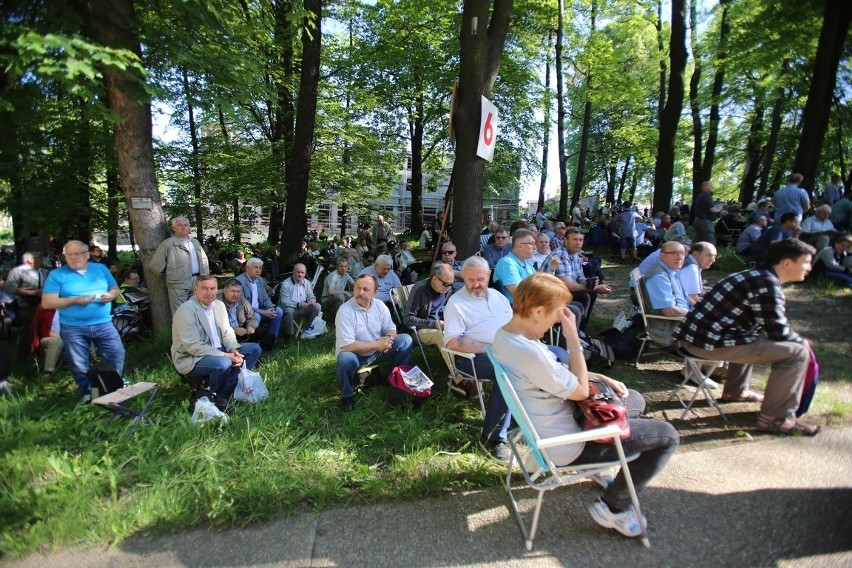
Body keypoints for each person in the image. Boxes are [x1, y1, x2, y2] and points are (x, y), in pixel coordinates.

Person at [491, 272, 679, 538]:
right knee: (667, 436)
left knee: (633, 398)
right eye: (557, 313)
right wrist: (573, 337)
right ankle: (614, 508)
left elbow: (557, 372)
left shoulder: (505, 335)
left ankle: (600, 469)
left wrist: (600, 377)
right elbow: (579, 390)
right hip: (569, 446)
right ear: (537, 310)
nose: (559, 319)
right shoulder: (529, 352)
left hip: (554, 427)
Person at [675, 239, 822, 435]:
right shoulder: (766, 283)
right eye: (806, 262)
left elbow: (765, 326)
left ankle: (735, 392)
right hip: (702, 343)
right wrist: (801, 341)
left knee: (752, 336)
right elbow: (776, 330)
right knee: (796, 353)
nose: (810, 268)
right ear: (787, 263)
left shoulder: (756, 276)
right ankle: (774, 418)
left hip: (697, 339)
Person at [41, 240, 125, 403]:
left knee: (117, 353)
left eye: (77, 253)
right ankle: (88, 393)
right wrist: (74, 300)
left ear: (87, 255)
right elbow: (47, 302)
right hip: (73, 327)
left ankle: (112, 387)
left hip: (103, 323)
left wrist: (111, 295)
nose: (73, 257)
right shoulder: (57, 274)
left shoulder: (101, 269)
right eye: (69, 254)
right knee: (79, 363)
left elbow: (115, 288)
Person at [171, 275, 261, 400]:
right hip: (194, 357)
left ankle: (229, 387)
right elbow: (194, 347)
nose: (209, 293)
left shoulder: (218, 305)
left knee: (254, 349)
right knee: (223, 363)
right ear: (195, 289)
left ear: (217, 290)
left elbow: (227, 332)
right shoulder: (186, 311)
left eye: (212, 289)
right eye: (204, 289)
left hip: (219, 349)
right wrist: (226, 356)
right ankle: (218, 398)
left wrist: (233, 350)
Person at [335, 274, 413, 412]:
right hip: (355, 355)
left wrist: (389, 340)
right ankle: (347, 396)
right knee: (344, 358)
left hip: (377, 352)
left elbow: (390, 328)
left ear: (375, 293)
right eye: (357, 288)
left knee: (405, 340)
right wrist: (377, 345)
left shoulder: (380, 305)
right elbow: (347, 346)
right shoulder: (345, 310)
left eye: (366, 289)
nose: (360, 293)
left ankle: (394, 381)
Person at [551, 228, 612, 332]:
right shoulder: (561, 254)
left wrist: (591, 283)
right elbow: (568, 285)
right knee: (584, 295)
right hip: (552, 295)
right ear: (566, 241)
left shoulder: (574, 254)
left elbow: (580, 279)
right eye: (575, 239)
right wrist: (595, 288)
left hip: (562, 291)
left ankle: (580, 329)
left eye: (580, 240)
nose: (578, 243)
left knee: (590, 293)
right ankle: (576, 332)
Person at [149, 216, 210, 316]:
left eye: (185, 225)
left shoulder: (194, 242)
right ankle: (181, 332)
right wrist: (171, 274)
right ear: (174, 228)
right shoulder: (168, 244)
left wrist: (205, 278)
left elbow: (204, 261)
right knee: (180, 314)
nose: (183, 227)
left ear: (189, 227)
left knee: (197, 311)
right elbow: (155, 266)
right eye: (180, 225)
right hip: (178, 284)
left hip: (197, 282)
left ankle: (195, 331)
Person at [642, 241, 691, 353]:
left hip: (681, 317)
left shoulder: (672, 271)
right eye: (674, 253)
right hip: (671, 324)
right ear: (662, 255)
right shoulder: (659, 277)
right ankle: (703, 365)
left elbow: (682, 298)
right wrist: (695, 317)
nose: (679, 257)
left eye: (682, 253)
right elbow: (669, 311)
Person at [403, 263, 454, 356]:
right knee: (442, 337)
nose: (449, 287)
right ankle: (455, 369)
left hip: (445, 326)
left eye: (451, 284)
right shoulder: (419, 290)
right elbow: (408, 319)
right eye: (446, 284)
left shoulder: (448, 290)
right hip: (421, 329)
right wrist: (434, 324)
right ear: (434, 279)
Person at [4, 251, 48, 352]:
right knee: (28, 331)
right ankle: (23, 356)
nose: (41, 260)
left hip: (45, 305)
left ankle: (40, 353)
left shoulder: (43, 271)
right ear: (30, 260)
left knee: (43, 330)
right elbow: (9, 288)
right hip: (27, 306)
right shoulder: (17, 271)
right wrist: (32, 293)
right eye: (39, 258)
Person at [236, 258, 284, 347]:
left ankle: (271, 340)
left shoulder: (260, 280)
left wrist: (271, 309)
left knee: (279, 311)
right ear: (247, 268)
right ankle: (255, 344)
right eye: (255, 267)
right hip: (246, 313)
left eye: (260, 268)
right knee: (256, 316)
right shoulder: (239, 282)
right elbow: (242, 305)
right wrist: (263, 312)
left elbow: (265, 297)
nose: (258, 270)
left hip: (261, 310)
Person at [278, 263, 320, 343]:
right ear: (293, 272)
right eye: (298, 272)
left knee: (317, 306)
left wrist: (312, 299)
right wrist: (298, 304)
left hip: (303, 308)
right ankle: (288, 336)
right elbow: (284, 301)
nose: (300, 275)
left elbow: (311, 295)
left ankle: (309, 331)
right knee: (289, 311)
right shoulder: (286, 284)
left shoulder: (307, 283)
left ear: (305, 273)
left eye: (302, 273)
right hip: (289, 308)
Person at [493, 229, 536, 304]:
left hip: (531, 307)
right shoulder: (507, 263)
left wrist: (552, 269)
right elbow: (520, 292)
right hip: (517, 311)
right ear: (520, 246)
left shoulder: (527, 265)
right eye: (532, 244)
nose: (535, 248)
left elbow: (542, 284)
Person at [29, 305, 62, 380]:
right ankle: (48, 373)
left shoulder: (70, 308)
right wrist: (61, 337)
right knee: (56, 341)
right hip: (46, 338)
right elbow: (42, 331)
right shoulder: (45, 308)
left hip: (68, 336)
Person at [679, 242, 717, 306]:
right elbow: (692, 298)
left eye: (714, 256)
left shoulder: (692, 263)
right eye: (709, 255)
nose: (713, 260)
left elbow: (699, 292)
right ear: (695, 254)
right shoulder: (691, 268)